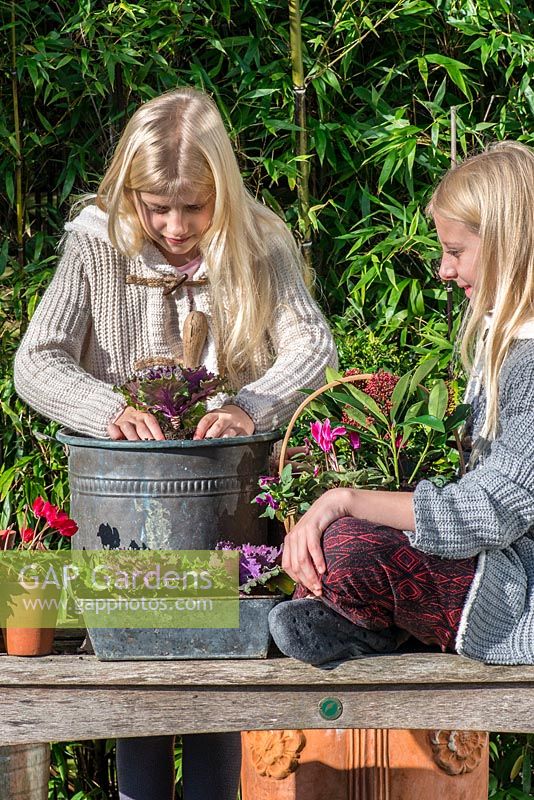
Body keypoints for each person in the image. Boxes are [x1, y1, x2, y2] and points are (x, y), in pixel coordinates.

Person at [14, 87, 337, 800]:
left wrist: (251, 405)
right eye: (156, 207)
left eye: (193, 207)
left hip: (224, 509)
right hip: (124, 513)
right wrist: (105, 409)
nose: (176, 225)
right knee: (140, 678)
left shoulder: (259, 242)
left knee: (216, 681)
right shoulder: (97, 243)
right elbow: (34, 361)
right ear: (129, 194)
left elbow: (312, 344)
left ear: (221, 189)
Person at [270, 140, 534, 669]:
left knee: (350, 547)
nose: (443, 269)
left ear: (510, 245)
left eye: (456, 252)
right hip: (494, 564)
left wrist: (346, 499)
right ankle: (364, 619)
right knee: (341, 549)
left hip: (517, 592)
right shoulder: (501, 342)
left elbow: (492, 510)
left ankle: (370, 619)